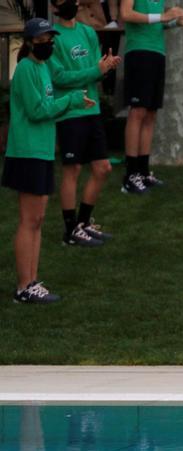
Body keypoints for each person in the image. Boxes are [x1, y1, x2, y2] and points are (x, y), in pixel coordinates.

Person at [2, 18, 94, 303]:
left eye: (50, 39)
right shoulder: (27, 69)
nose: (48, 44)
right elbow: (37, 110)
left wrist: (70, 102)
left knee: (38, 219)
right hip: (26, 152)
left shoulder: (42, 68)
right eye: (42, 40)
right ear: (30, 42)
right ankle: (23, 287)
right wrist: (71, 101)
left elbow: (47, 108)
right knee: (30, 219)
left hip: (41, 151)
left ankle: (32, 281)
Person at [48, 0, 122, 247]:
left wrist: (106, 66)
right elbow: (58, 78)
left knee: (102, 167)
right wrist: (95, 71)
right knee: (73, 170)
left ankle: (83, 223)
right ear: (54, 6)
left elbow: (95, 67)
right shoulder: (53, 38)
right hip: (69, 111)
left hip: (92, 109)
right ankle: (70, 231)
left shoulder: (88, 32)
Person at [119, 0, 183, 194]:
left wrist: (176, 22)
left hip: (156, 53)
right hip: (139, 52)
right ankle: (130, 175)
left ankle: (143, 172)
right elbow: (126, 14)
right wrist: (164, 16)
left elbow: (156, 23)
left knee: (151, 113)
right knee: (137, 112)